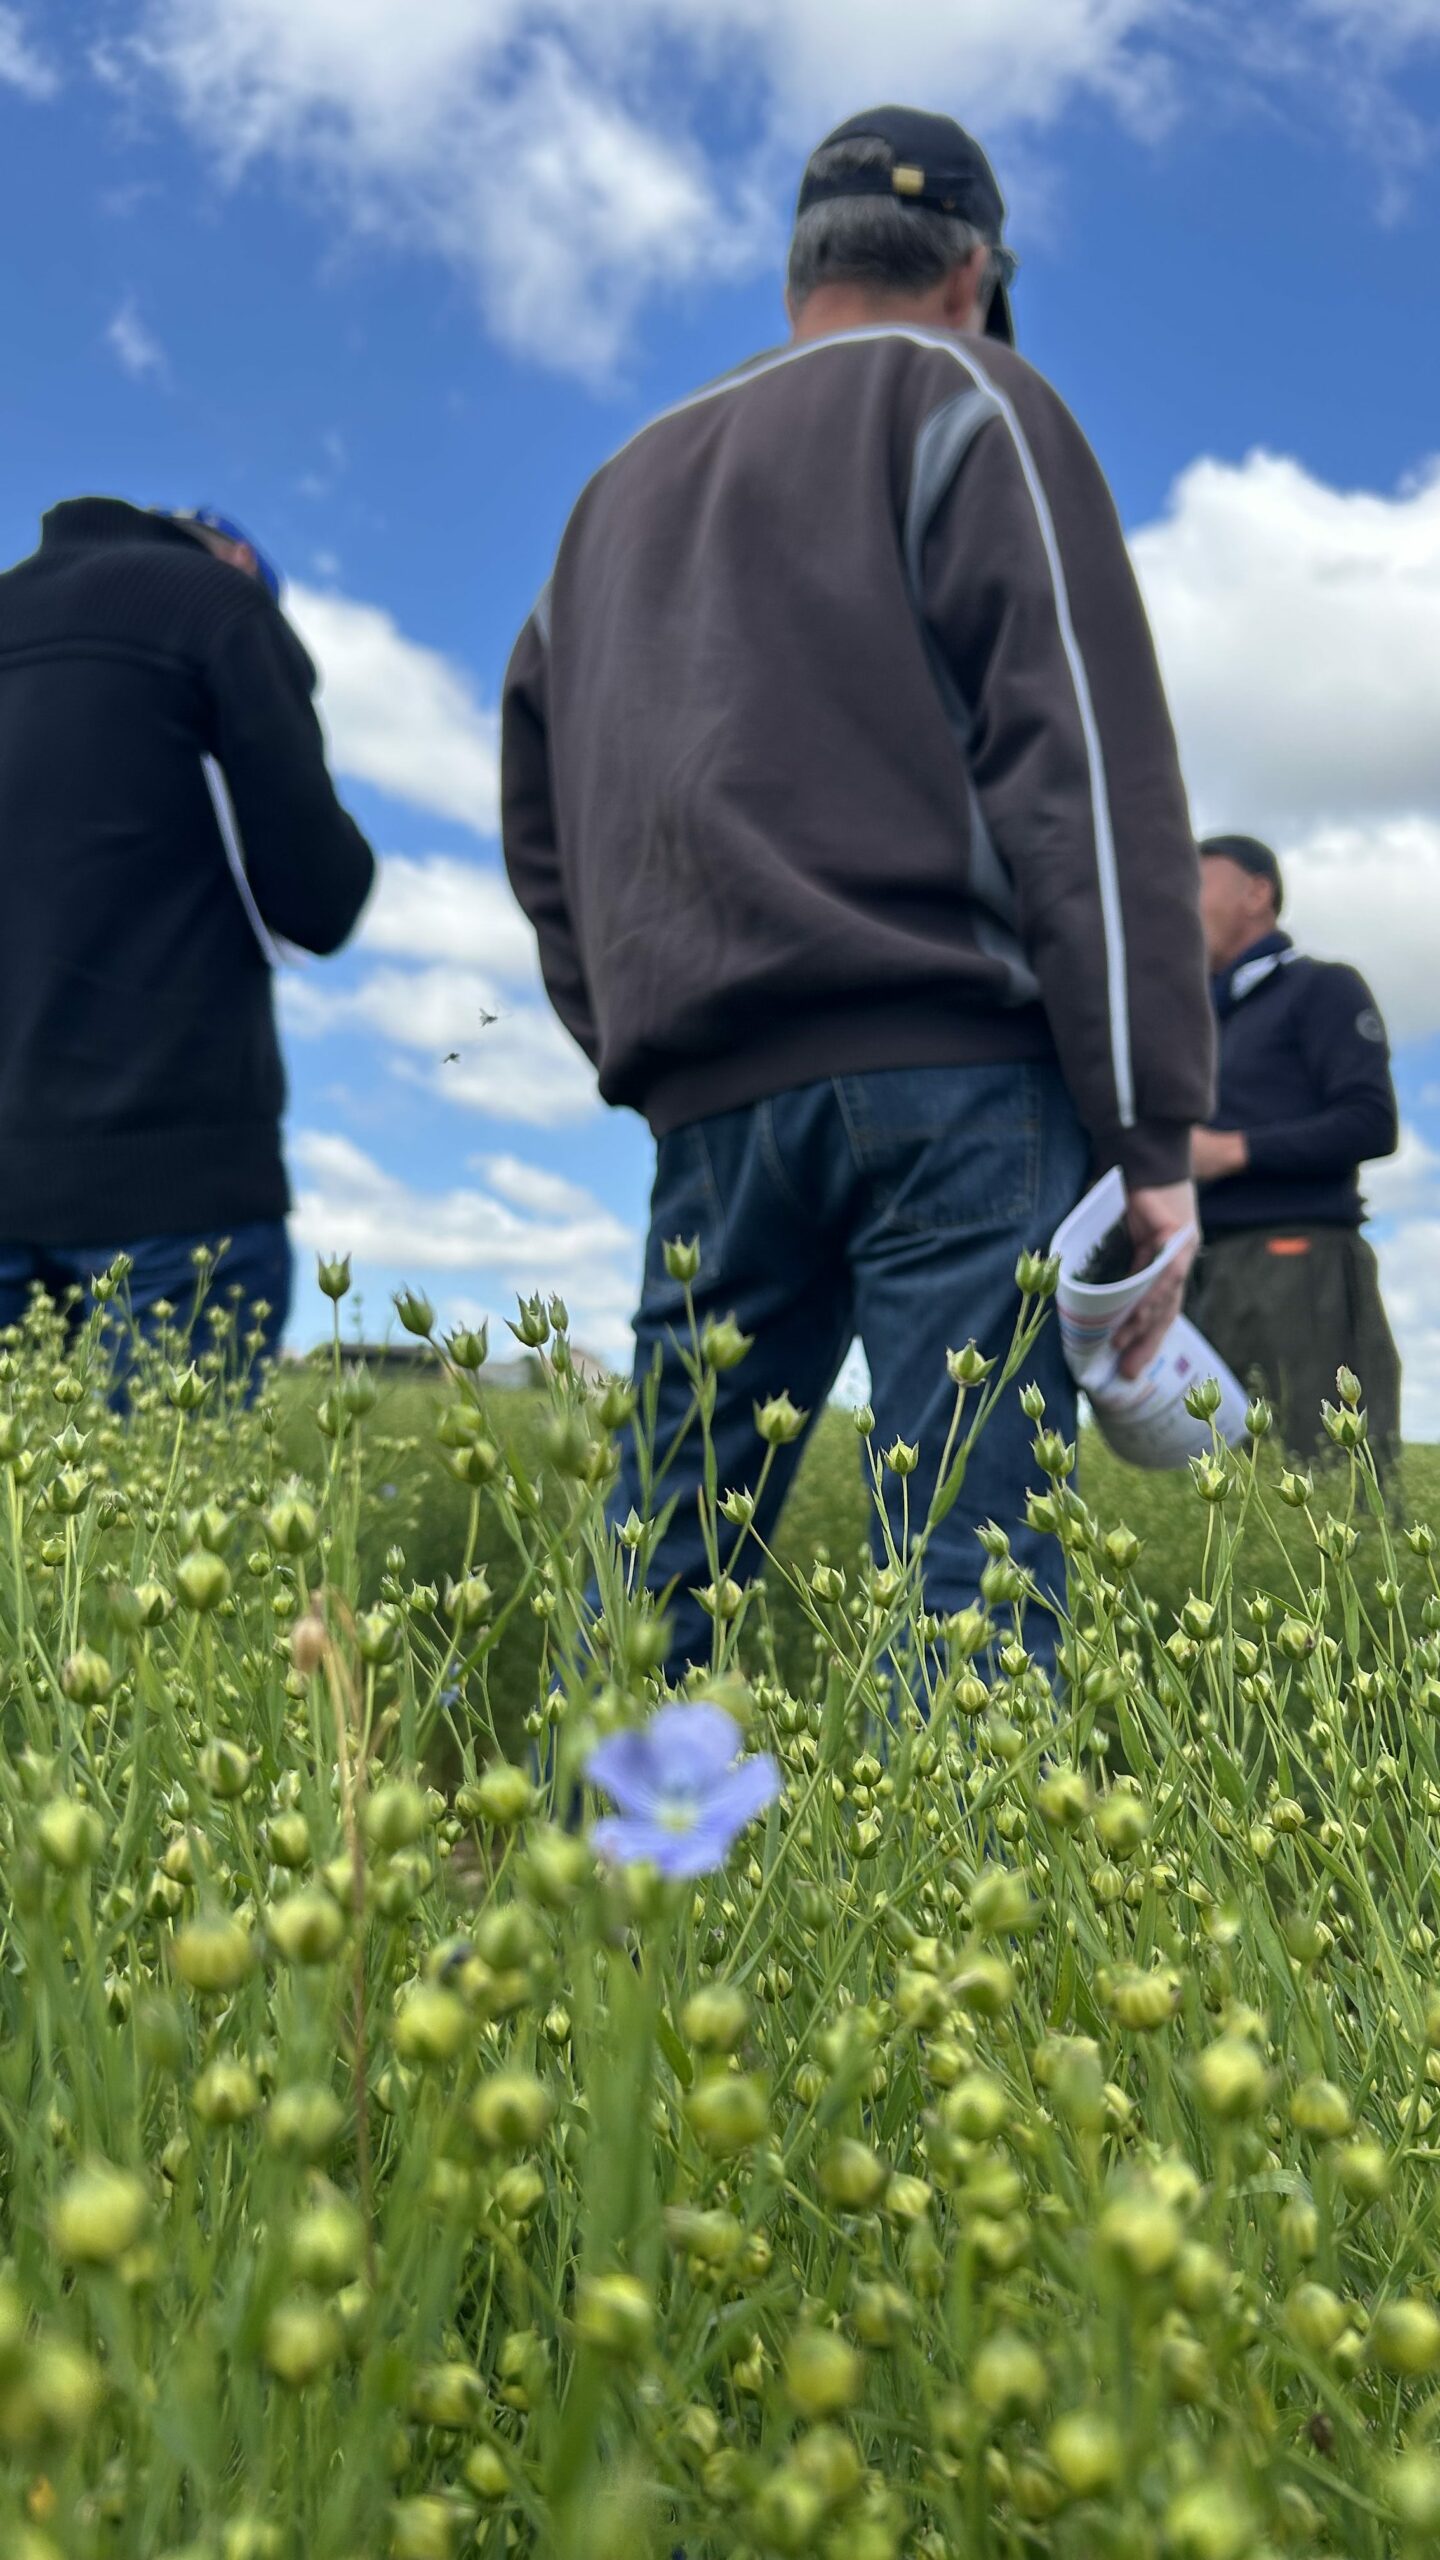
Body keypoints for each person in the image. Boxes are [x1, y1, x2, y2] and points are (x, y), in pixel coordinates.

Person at [502, 105, 1212, 1673]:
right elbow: (1084, 775)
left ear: (794, 277)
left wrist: (643, 1040)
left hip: (711, 1105)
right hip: (957, 1075)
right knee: (967, 1567)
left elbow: (539, 825)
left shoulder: (612, 493)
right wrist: (1150, 1128)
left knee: (661, 1559)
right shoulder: (973, 394)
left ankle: (585, 1839)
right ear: (973, 275)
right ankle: (962, 1851)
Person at [0, 498, 375, 1384]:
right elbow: (318, 901)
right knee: (173, 1474)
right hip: (171, 1180)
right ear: (241, 560)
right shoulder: (215, 605)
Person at [1188, 833, 1400, 1468]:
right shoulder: (1200, 1020)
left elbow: (1371, 1121)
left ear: (1258, 893)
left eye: (1197, 884)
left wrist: (1234, 1151)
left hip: (1299, 1266)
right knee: (1224, 1486)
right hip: (1207, 1270)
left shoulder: (1321, 988)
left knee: (1325, 1472)